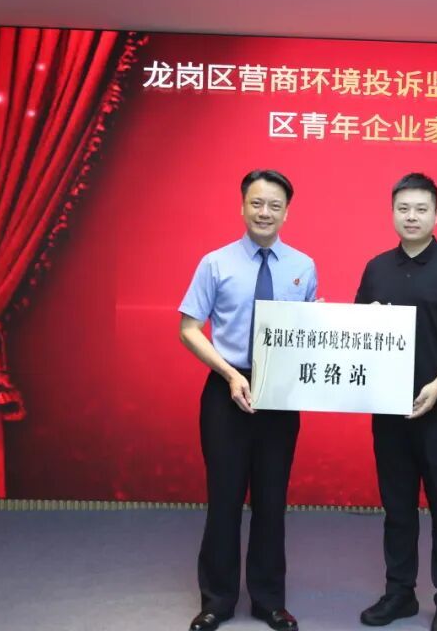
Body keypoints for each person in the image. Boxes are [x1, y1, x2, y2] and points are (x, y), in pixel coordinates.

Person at [179, 169, 317, 631]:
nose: (264, 212)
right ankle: (217, 601)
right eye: (257, 203)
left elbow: (308, 333)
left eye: (274, 205)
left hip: (280, 393)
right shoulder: (215, 263)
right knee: (224, 498)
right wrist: (230, 374)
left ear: (286, 212)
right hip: (226, 389)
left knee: (272, 500)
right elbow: (188, 329)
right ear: (242, 207)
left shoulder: (303, 266)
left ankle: (268, 601)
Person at [354, 173, 437, 631]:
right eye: (403, 208)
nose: (411, 217)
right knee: (396, 508)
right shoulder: (376, 268)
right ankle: (400, 593)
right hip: (389, 411)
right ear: (392, 212)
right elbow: (357, 332)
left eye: (421, 209)